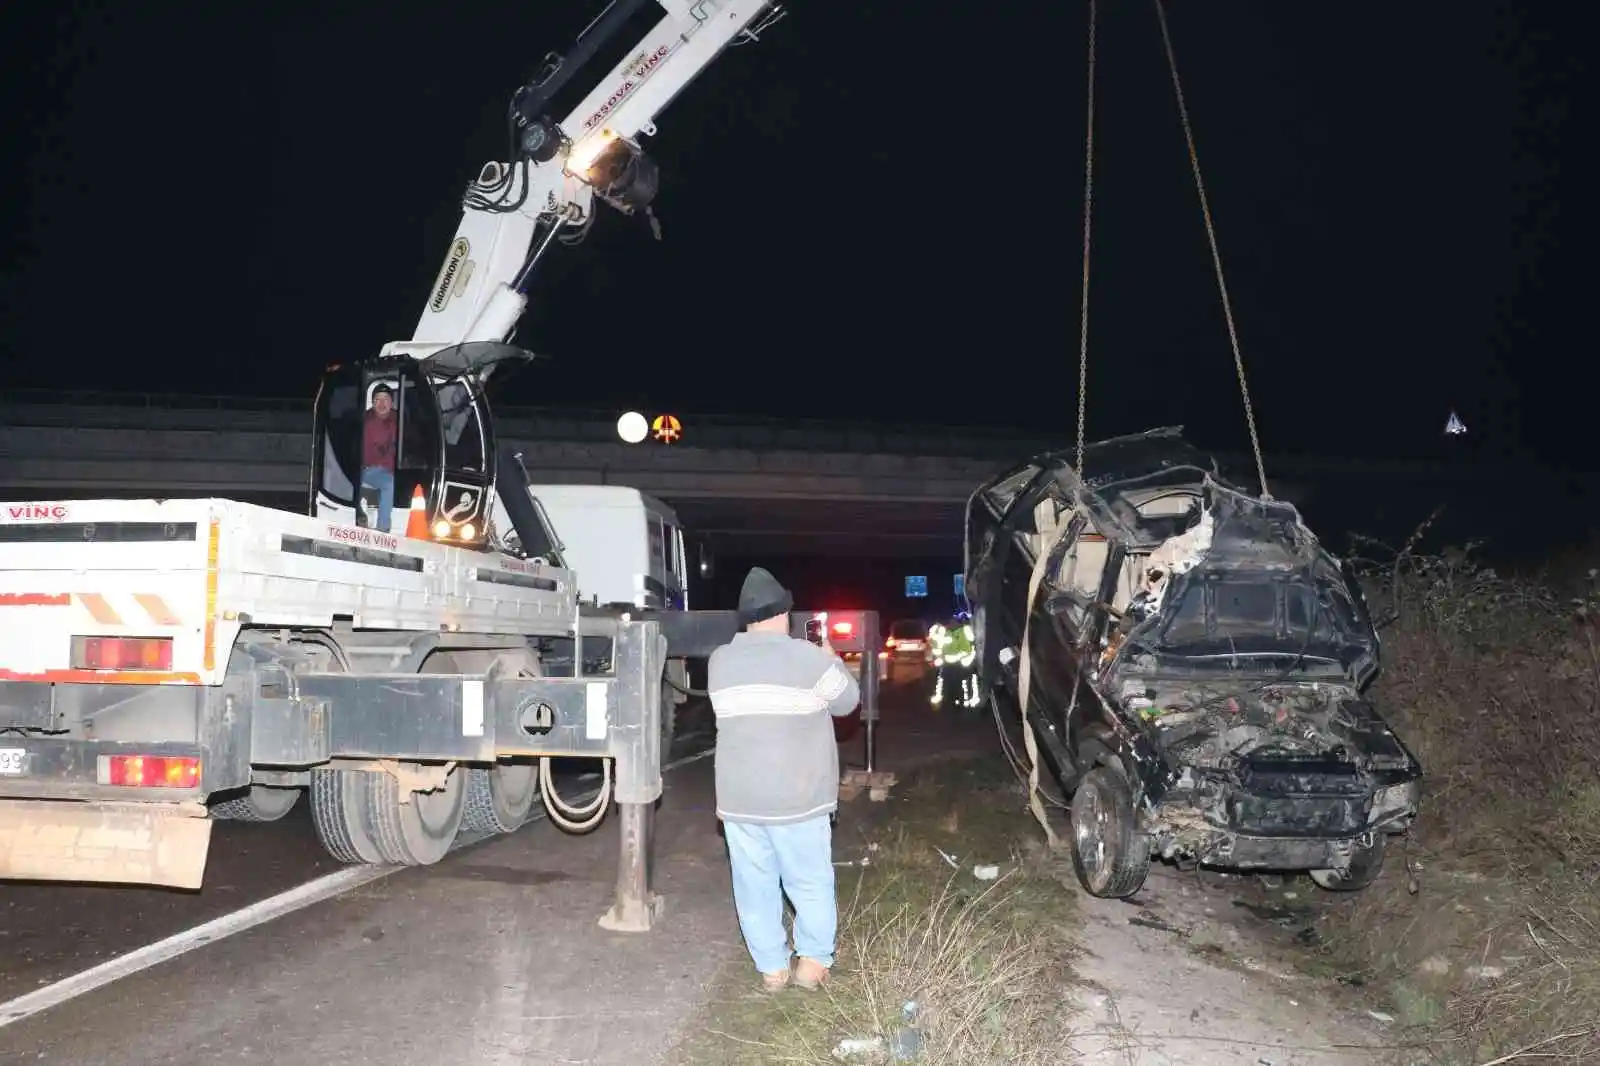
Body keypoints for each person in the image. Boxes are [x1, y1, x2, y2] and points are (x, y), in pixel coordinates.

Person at [708, 566, 861, 992]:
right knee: (808, 880)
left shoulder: (721, 661)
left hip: (740, 801)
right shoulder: (807, 659)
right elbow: (848, 702)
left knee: (754, 885)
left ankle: (771, 970)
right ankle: (812, 965)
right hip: (797, 798)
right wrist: (832, 659)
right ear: (787, 614)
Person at [360, 384, 399, 532]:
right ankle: (383, 528)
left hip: (392, 469)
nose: (382, 404)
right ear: (373, 403)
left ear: (392, 402)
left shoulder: (400, 421)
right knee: (389, 483)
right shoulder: (365, 422)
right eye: (378, 400)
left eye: (386, 399)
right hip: (369, 470)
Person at [929, 611, 981, 710]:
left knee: (961, 683)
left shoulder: (962, 632)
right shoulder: (944, 632)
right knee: (945, 682)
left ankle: (962, 702)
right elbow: (937, 646)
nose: (950, 624)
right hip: (947, 663)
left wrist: (961, 657)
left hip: (959, 663)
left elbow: (967, 648)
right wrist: (939, 656)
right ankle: (947, 701)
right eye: (949, 622)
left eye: (953, 622)